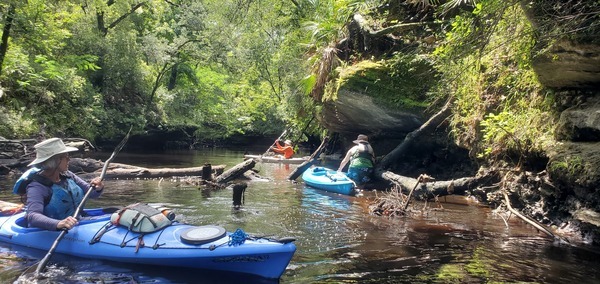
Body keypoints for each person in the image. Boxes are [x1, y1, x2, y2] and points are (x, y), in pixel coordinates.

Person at [24, 138, 105, 231]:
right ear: (54, 160)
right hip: (53, 231)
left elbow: (91, 193)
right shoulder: (37, 186)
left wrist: (98, 188)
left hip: (79, 223)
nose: (69, 159)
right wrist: (58, 223)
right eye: (66, 157)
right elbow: (33, 216)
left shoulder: (68, 175)